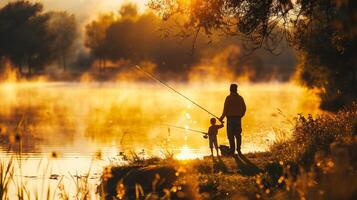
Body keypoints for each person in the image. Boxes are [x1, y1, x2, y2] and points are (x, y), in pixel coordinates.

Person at [219, 84, 246, 156]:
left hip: (230, 119)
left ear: (230, 89)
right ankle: (239, 150)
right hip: (238, 118)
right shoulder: (240, 98)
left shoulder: (228, 98)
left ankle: (232, 150)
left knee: (230, 135)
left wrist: (221, 118)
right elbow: (244, 108)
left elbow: (225, 110)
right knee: (238, 135)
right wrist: (241, 116)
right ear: (236, 89)